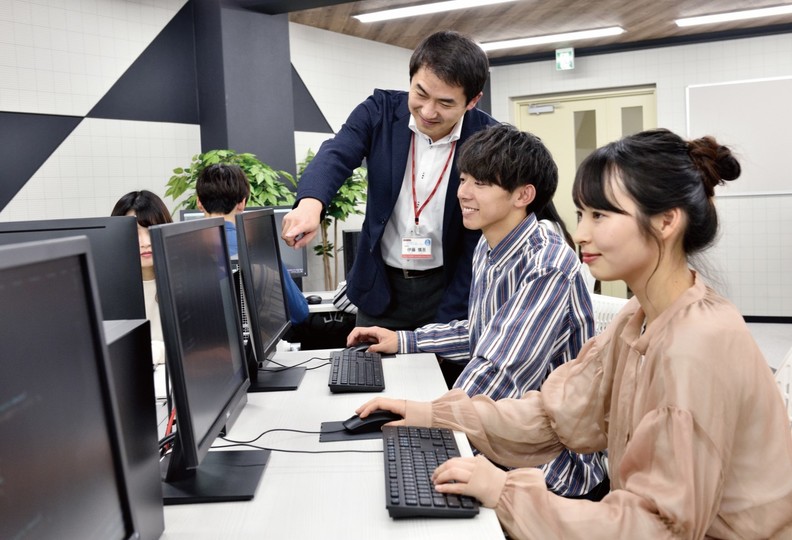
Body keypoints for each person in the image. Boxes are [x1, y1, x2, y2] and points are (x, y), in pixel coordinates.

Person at [356, 128, 792, 538]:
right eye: (582, 213)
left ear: (666, 222)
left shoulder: (697, 344)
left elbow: (662, 528)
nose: (580, 234)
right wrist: (431, 414)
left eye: (600, 215)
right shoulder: (637, 317)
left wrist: (504, 492)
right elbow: (555, 415)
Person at [348, 123, 606, 499]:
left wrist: (424, 416)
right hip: (502, 435)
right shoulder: (489, 247)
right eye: (464, 179)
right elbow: (480, 333)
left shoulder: (546, 260)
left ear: (523, 195)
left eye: (480, 184)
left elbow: (502, 368)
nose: (463, 194)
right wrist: (404, 339)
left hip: (551, 464)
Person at [281, 30, 498, 330]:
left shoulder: (489, 139)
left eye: (445, 103)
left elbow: (484, 234)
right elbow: (337, 153)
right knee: (371, 374)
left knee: (443, 375)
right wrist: (310, 203)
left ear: (472, 100)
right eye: (420, 93)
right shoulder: (380, 111)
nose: (428, 111)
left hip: (450, 291)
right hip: (380, 290)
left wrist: (453, 313)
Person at [196, 163, 309, 326]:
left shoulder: (180, 251)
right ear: (242, 203)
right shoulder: (261, 251)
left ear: (199, 202)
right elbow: (299, 312)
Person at [111, 190, 172, 365]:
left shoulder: (183, 280)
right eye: (135, 233)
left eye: (150, 230)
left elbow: (197, 349)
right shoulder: (110, 290)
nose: (145, 242)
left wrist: (156, 352)